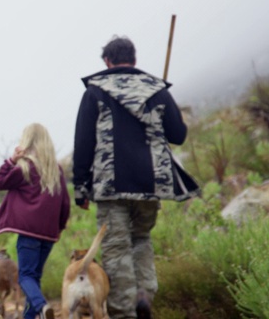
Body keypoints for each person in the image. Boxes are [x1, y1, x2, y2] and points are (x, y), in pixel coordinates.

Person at [72, 36, 200, 319]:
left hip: (111, 185)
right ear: (134, 60)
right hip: (150, 184)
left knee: (116, 249)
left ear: (107, 62)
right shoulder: (157, 91)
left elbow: (83, 143)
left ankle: (125, 312)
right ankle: (144, 294)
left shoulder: (95, 92)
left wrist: (80, 188)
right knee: (141, 238)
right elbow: (178, 135)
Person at [0, 123, 71, 319]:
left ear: (26, 142)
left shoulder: (24, 168)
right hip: (49, 235)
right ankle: (32, 315)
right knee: (34, 279)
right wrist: (58, 229)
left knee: (25, 276)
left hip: (28, 234)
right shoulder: (56, 170)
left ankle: (42, 306)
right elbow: (65, 204)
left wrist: (12, 160)